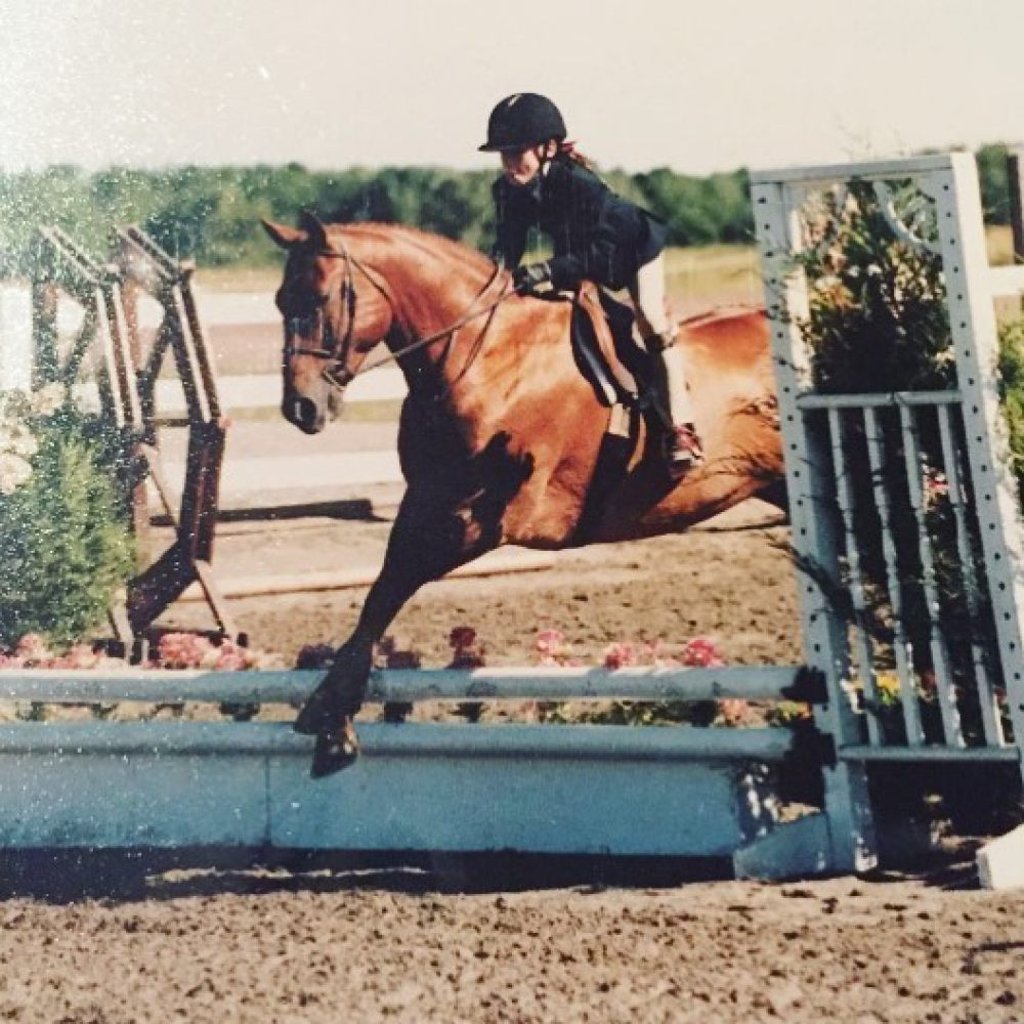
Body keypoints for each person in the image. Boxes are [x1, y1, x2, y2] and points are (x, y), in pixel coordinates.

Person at [480, 91, 703, 476]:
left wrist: (547, 270)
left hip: (631, 248)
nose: (509, 163)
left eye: (517, 152)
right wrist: (493, 283)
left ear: (548, 148)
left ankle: (681, 430)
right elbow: (508, 247)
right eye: (504, 154)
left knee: (649, 317)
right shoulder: (507, 191)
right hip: (579, 253)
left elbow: (601, 255)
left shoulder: (579, 184)